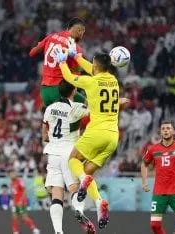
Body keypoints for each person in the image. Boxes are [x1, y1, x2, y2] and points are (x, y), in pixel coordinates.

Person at [54, 43, 129, 229]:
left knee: (73, 160)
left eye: (92, 64)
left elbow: (69, 77)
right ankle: (99, 203)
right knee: (85, 173)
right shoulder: (113, 81)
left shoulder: (91, 82)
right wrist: (77, 57)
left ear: (95, 67)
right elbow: (94, 69)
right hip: (113, 137)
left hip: (96, 132)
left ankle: (87, 186)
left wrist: (63, 61)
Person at [42, 80, 95, 234]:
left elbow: (45, 131)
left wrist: (49, 138)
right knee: (74, 188)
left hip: (52, 152)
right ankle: (78, 210)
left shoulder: (49, 108)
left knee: (56, 194)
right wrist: (82, 95)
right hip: (69, 151)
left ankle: (58, 231)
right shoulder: (76, 108)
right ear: (74, 91)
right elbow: (93, 109)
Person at [29, 18, 86, 107]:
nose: (82, 35)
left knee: (52, 119)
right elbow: (76, 74)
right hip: (61, 90)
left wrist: (39, 45)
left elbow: (32, 53)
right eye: (82, 32)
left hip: (45, 91)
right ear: (79, 31)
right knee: (87, 106)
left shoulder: (50, 36)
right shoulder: (75, 48)